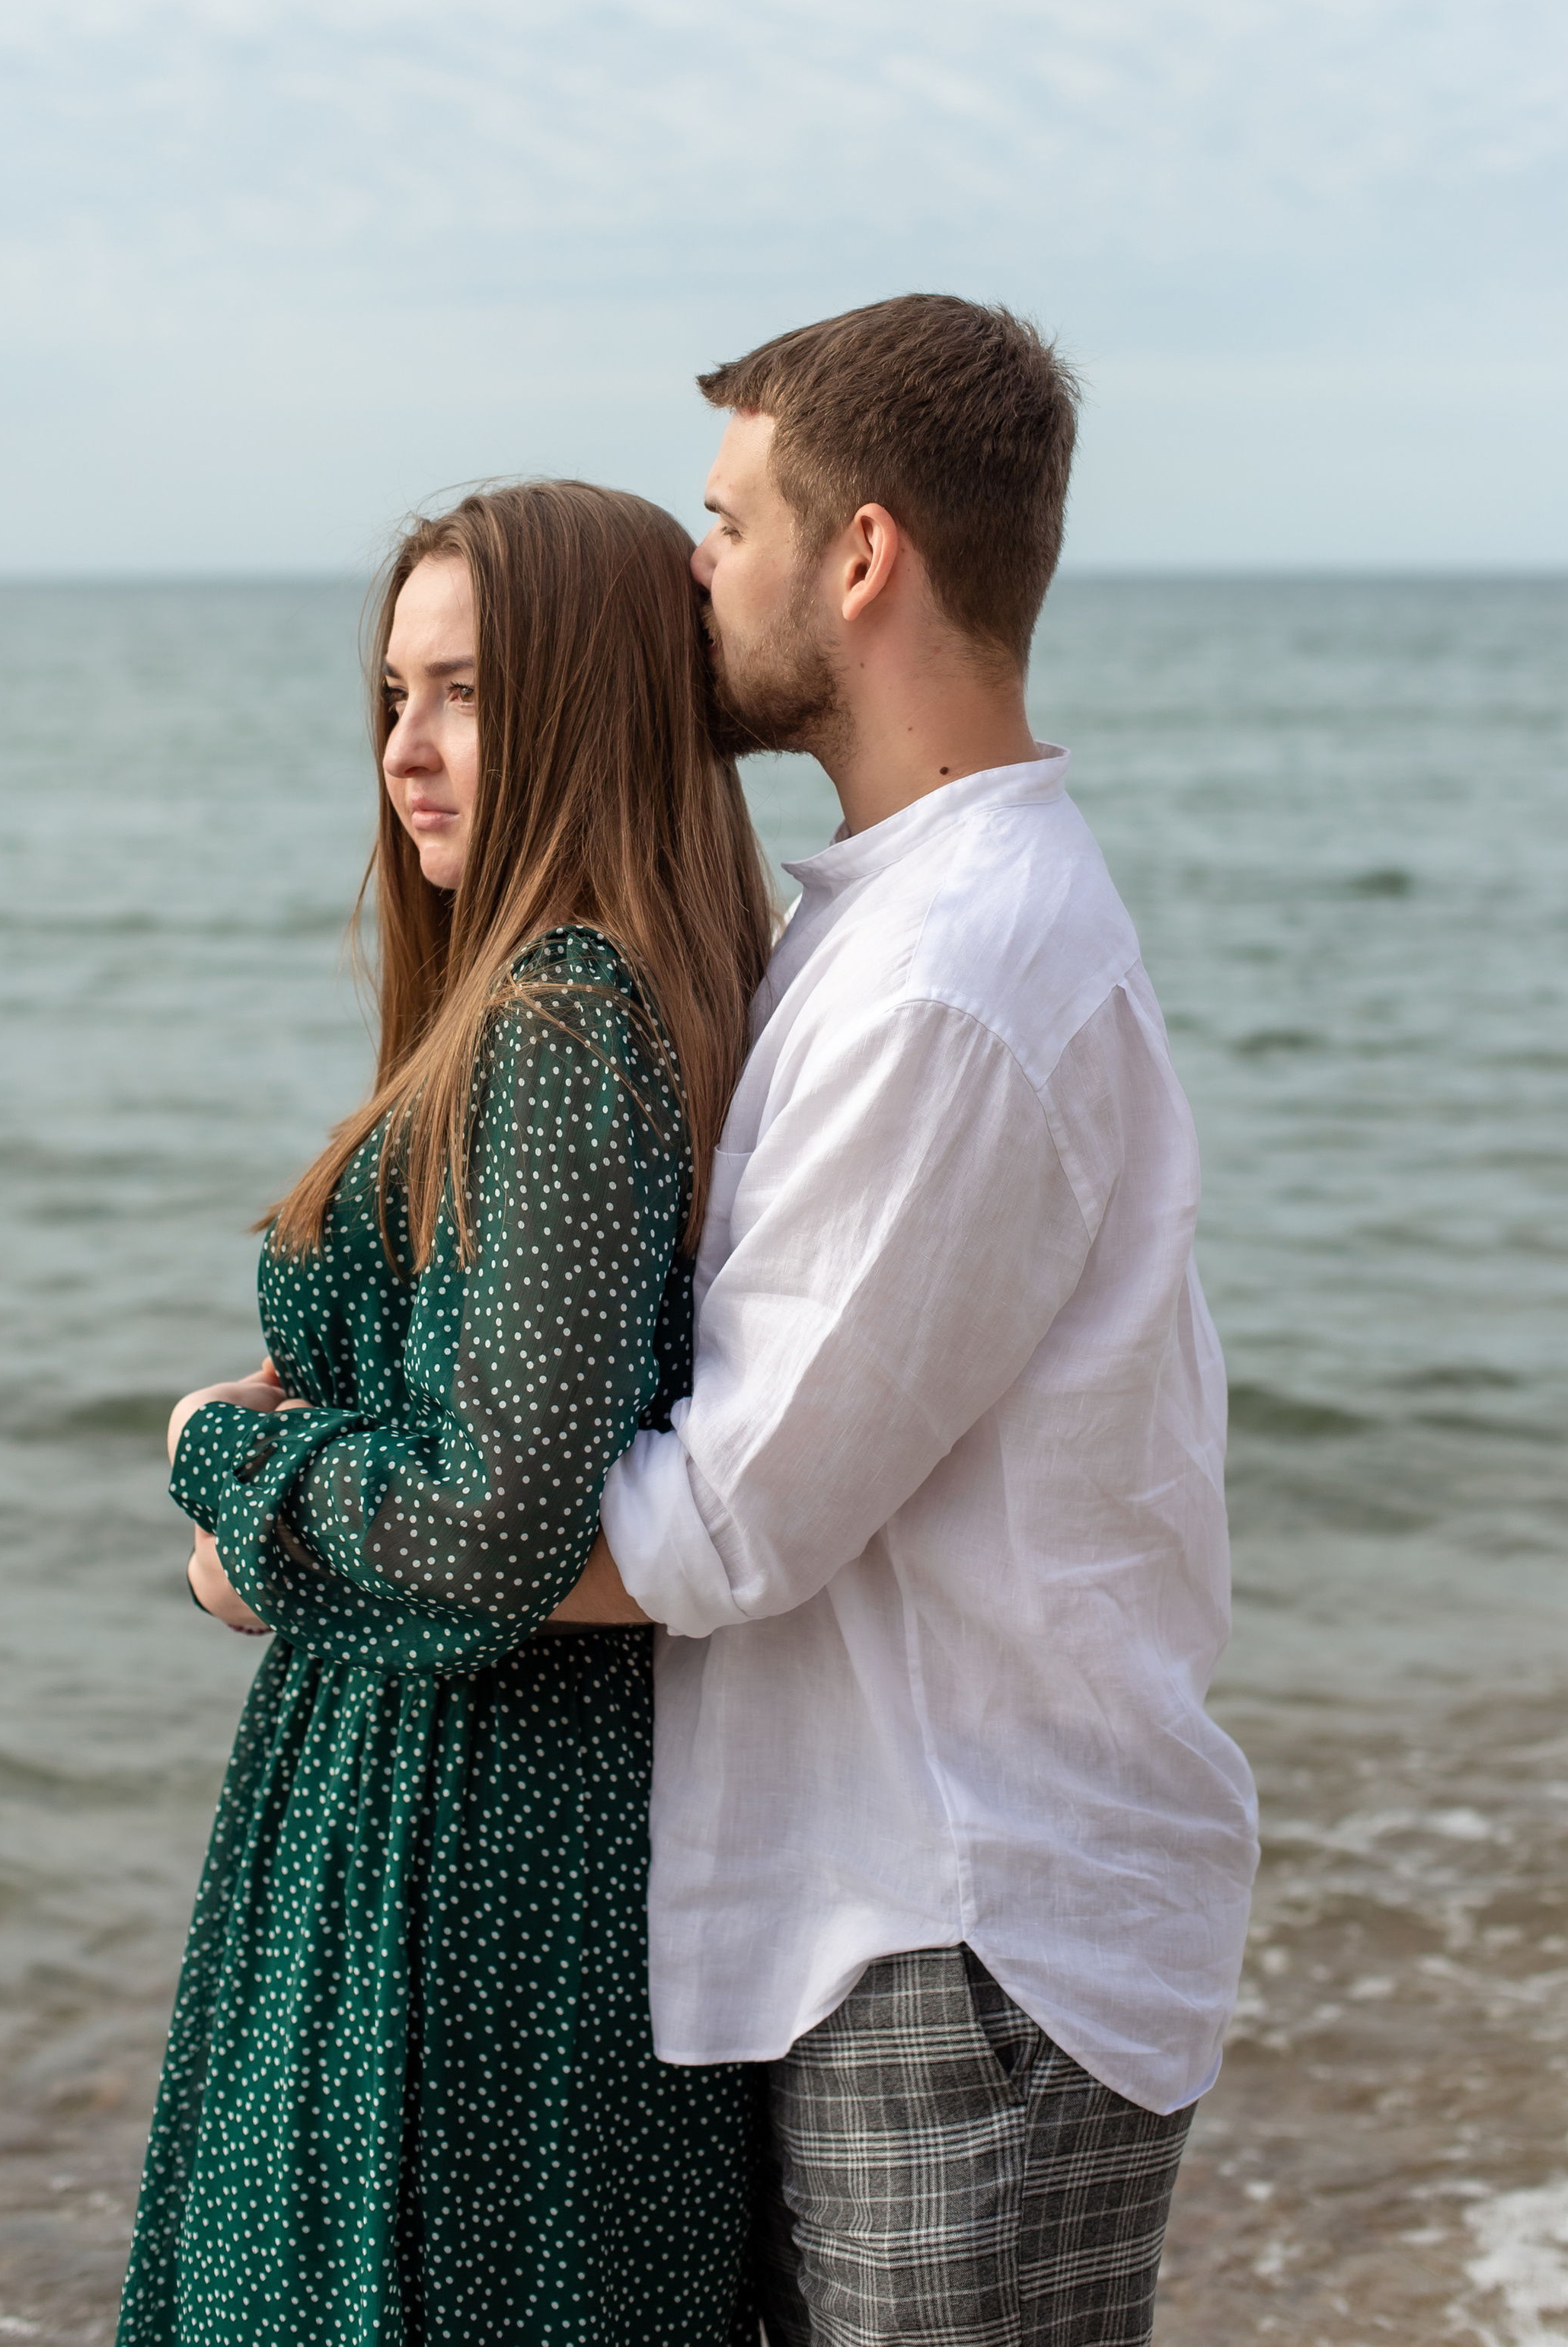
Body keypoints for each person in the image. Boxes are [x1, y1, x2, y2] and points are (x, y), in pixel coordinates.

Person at [562, 296, 1262, 2346]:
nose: (692, 572)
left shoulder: (952, 971)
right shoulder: (893, 919)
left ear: (860, 555)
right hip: (904, 1913)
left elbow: (727, 1526)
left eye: (726, 523)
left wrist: (316, 1528)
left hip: (967, 1935)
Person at [117, 481, 775, 2347]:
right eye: (394, 696)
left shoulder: (558, 1021)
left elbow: (487, 1521)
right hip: (521, 1819)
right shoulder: (638, 993)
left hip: (460, 1843)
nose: (406, 750)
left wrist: (219, 1463)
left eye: (468, 695)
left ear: (588, 709)